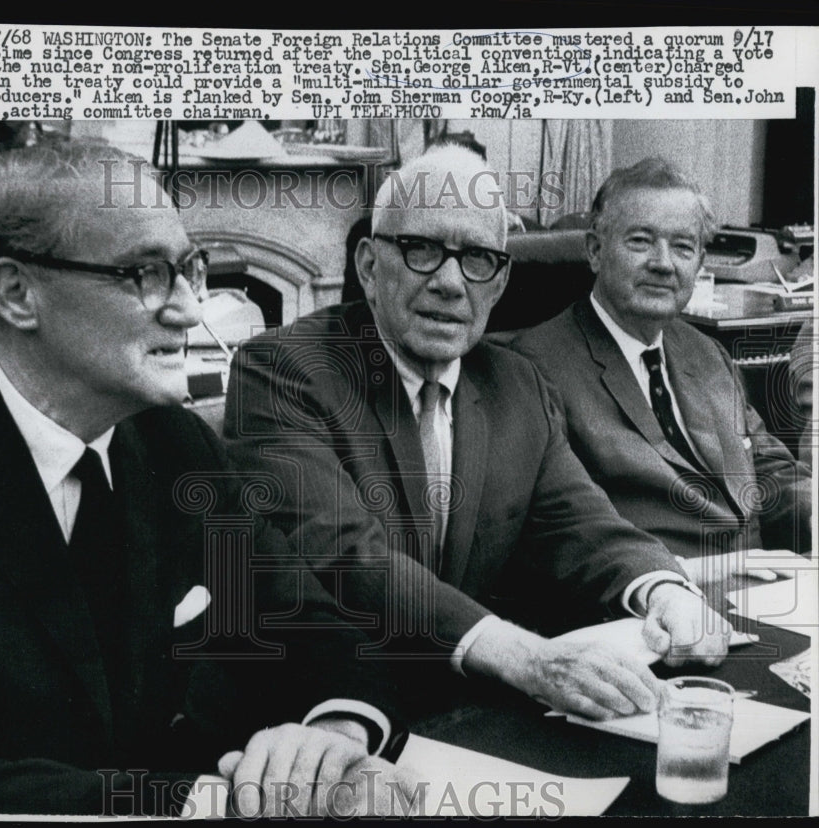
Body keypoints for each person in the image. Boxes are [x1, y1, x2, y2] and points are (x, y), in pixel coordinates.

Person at [0, 141, 414, 819]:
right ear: (17, 293)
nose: (191, 310)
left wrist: (332, 739)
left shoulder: (178, 444)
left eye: (188, 268)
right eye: (145, 273)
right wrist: (215, 804)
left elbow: (312, 623)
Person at [223, 144, 731, 723]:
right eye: (421, 250)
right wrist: (529, 658)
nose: (449, 282)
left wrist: (664, 591)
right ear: (368, 266)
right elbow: (344, 557)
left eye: (478, 259)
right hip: (334, 720)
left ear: (501, 278)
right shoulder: (283, 370)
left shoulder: (517, 384)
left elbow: (581, 523)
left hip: (472, 715)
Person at [511, 158, 811, 587]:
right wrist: (684, 575)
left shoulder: (706, 353)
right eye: (640, 241)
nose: (664, 263)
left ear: (701, 261)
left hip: (763, 591)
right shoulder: (535, 368)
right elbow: (564, 532)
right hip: (655, 599)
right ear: (595, 250)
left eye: (684, 247)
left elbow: (767, 469)